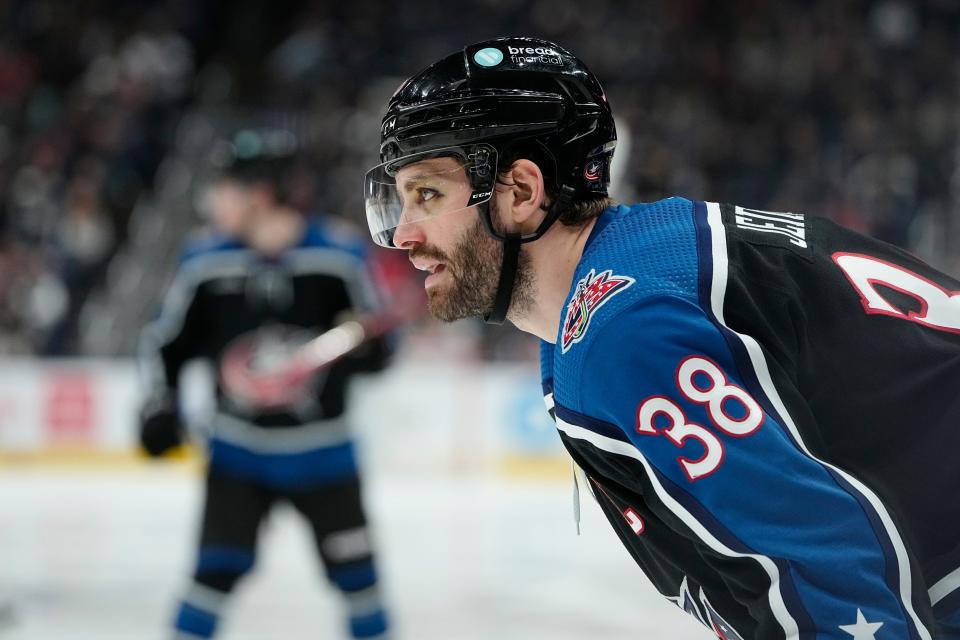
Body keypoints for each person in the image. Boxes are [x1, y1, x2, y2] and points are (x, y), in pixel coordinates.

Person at [362, 37, 960, 639]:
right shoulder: (630, 270)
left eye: (428, 194)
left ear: (521, 190)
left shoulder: (624, 323)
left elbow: (824, 567)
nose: (403, 234)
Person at [140, 138, 392, 640]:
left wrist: (370, 349)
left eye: (224, 190)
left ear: (260, 193)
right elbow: (166, 344)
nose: (214, 202)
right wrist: (159, 402)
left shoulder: (337, 257)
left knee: (359, 582)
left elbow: (382, 347)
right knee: (213, 575)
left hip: (325, 458)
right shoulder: (205, 261)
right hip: (238, 456)